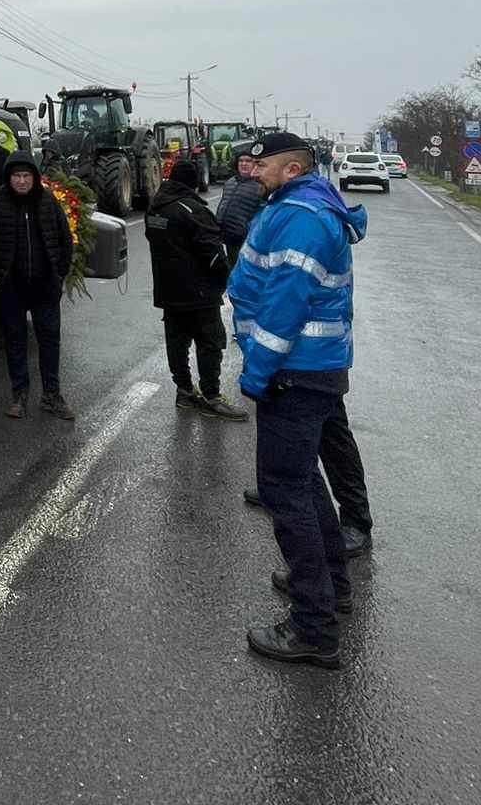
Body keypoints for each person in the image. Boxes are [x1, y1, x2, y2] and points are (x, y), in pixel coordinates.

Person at [226, 131, 366, 669]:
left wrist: (258, 372)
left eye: (260, 165)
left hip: (293, 370)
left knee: (285, 491)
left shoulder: (302, 217)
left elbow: (285, 302)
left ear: (290, 169)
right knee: (304, 481)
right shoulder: (295, 204)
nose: (250, 171)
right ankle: (331, 585)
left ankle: (314, 627)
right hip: (308, 370)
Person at [0, 152, 75, 421]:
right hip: (11, 288)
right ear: (9, 178)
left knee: (50, 341)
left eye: (26, 175)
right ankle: (19, 395)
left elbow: (65, 239)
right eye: (16, 176)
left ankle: (52, 395)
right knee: (15, 342)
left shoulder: (47, 200)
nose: (21, 181)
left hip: (45, 288)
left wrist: (58, 274)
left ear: (34, 177)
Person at [145, 155, 247, 419]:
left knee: (176, 342)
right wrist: (222, 279)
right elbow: (213, 253)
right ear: (192, 181)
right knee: (209, 343)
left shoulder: (155, 208)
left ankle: (184, 391)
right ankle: (212, 396)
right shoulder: (193, 210)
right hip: (199, 293)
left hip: (168, 291)